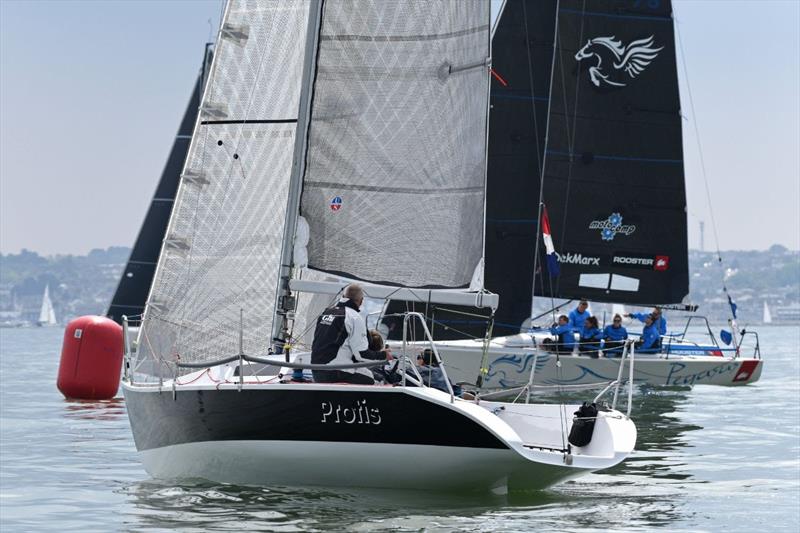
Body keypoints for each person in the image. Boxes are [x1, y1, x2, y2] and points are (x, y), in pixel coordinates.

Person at [310, 284, 392, 384]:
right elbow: (361, 355)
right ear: (361, 301)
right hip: (336, 373)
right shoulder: (354, 317)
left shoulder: (326, 313)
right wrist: (384, 355)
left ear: (343, 297)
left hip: (316, 373)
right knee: (378, 380)